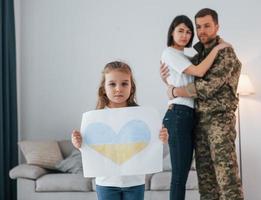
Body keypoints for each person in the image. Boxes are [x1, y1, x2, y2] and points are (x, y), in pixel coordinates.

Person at [161, 8, 244, 200]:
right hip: (198, 122)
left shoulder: (225, 53)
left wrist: (174, 91)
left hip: (219, 122)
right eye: (198, 27)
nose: (202, 31)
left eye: (207, 26)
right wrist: (166, 79)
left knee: (227, 181)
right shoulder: (198, 56)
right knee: (207, 184)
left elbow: (206, 87)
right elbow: (181, 74)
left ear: (217, 26)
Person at [71, 61, 169, 200]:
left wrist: (162, 139)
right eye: (112, 84)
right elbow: (91, 150)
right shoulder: (95, 120)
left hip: (135, 182)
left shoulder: (142, 118)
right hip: (106, 182)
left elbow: (150, 145)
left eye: (124, 84)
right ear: (104, 88)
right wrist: (79, 144)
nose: (118, 89)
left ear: (131, 87)